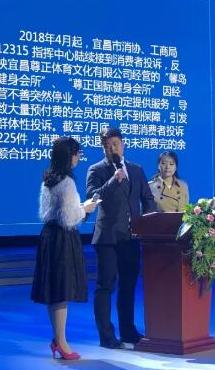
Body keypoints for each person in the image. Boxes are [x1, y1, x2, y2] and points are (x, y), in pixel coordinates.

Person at [86, 127, 157, 349]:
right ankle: (106, 336)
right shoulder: (96, 169)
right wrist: (113, 181)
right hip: (107, 237)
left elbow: (148, 199)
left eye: (115, 145)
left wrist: (146, 223)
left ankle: (128, 331)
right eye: (107, 146)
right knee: (105, 286)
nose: (111, 149)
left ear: (123, 144)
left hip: (131, 238)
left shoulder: (136, 169)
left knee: (128, 286)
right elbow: (92, 198)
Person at [31, 136, 98, 360]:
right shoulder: (67, 182)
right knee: (61, 291)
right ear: (70, 156)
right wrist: (86, 209)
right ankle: (61, 342)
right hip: (62, 238)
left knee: (54, 291)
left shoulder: (48, 179)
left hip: (49, 236)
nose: (78, 157)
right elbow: (69, 218)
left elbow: (46, 212)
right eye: (77, 153)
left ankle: (58, 339)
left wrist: (78, 207)